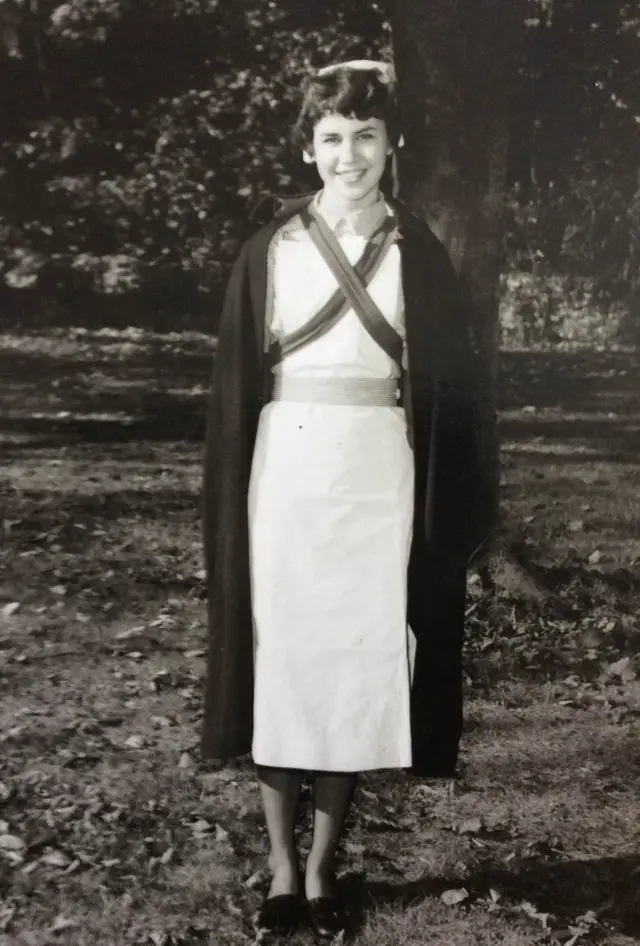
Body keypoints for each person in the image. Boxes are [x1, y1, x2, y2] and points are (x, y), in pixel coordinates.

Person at [201, 60, 495, 939]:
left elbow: (453, 392)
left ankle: (326, 870)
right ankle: (281, 871)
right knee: (284, 654)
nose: (349, 154)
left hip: (378, 471)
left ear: (392, 144)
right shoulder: (271, 252)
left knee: (355, 657)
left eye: (366, 135)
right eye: (332, 138)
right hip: (285, 467)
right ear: (307, 149)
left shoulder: (421, 253)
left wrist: (456, 510)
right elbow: (235, 390)